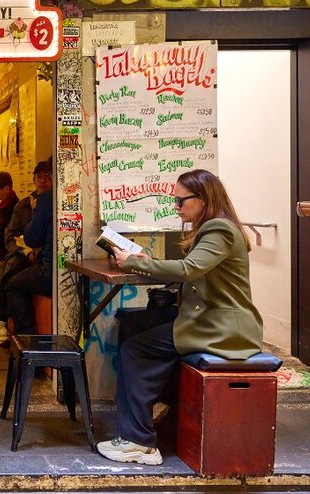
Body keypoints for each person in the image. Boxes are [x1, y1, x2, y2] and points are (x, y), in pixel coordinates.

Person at [97, 169, 263, 466]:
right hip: (206, 319)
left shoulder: (219, 230)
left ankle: (139, 442)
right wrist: (151, 263)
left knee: (135, 348)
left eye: (180, 201)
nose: (176, 207)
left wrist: (135, 262)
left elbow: (189, 270)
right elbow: (193, 269)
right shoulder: (215, 228)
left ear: (203, 199)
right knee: (132, 324)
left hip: (220, 328)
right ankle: (147, 418)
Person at [0, 160, 52, 345]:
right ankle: (2, 321)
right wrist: (25, 251)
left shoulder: (42, 202)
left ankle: (26, 341)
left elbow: (34, 237)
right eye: (39, 177)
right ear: (34, 180)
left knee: (14, 283)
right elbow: (9, 237)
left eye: (47, 177)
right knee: (14, 267)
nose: (43, 182)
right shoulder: (23, 205)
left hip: (47, 266)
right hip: (26, 256)